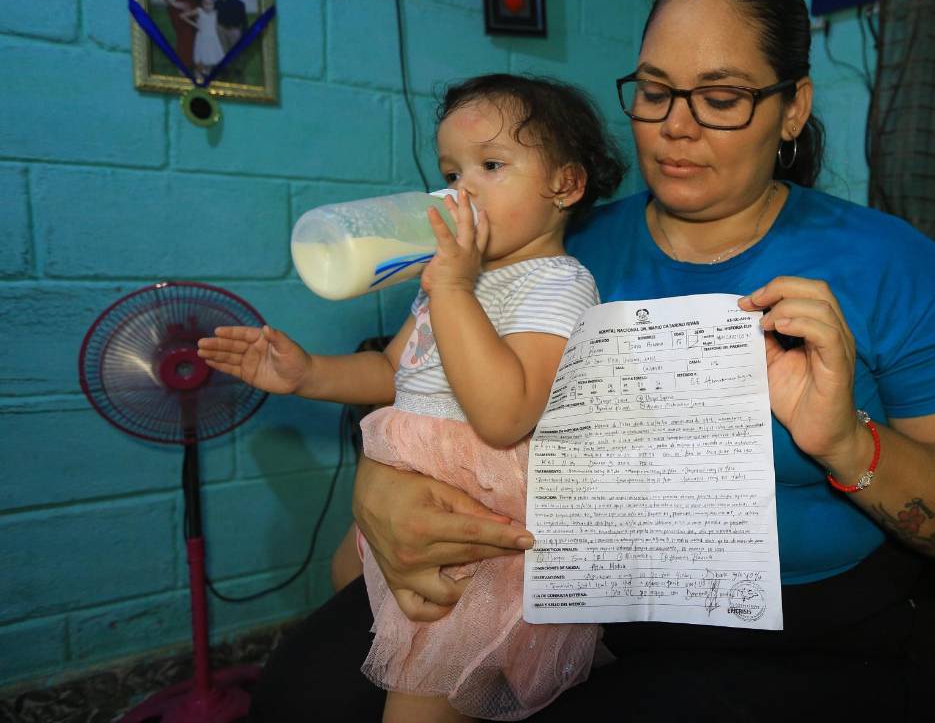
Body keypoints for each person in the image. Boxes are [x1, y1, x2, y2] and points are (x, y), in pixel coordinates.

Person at [249, 0, 935, 722]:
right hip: (551, 599)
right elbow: (423, 376)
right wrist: (378, 488)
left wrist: (847, 445)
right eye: (655, 91)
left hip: (803, 639)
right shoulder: (556, 245)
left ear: (792, 107)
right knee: (299, 696)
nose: (674, 127)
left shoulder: (889, 264)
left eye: (721, 97)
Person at [199, 75, 626, 721]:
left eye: (491, 165)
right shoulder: (446, 279)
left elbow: (506, 412)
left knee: (422, 690)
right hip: (413, 481)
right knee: (347, 574)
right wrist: (307, 373)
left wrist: (454, 291)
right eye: (453, 171)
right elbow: (395, 369)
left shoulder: (558, 284)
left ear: (564, 185)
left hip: (475, 521)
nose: (462, 191)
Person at [152, 0, 204, 71]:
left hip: (195, 13)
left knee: (196, 38)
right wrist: (173, 3)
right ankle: (183, 66)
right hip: (181, 12)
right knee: (185, 37)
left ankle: (194, 63)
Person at [181, 0, 225, 82]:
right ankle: (198, 76)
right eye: (206, 3)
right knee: (201, 58)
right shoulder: (199, 11)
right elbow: (183, 16)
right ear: (202, 3)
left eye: (210, 4)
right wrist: (195, 25)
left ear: (213, 4)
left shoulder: (215, 13)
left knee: (211, 58)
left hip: (212, 38)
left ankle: (208, 76)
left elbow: (215, 26)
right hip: (202, 37)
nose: (208, 6)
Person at [214, 0, 248, 80]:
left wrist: (244, 33)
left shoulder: (239, 3)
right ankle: (225, 71)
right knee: (223, 51)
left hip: (234, 31)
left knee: (236, 52)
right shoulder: (216, 2)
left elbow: (244, 20)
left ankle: (238, 71)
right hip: (221, 30)